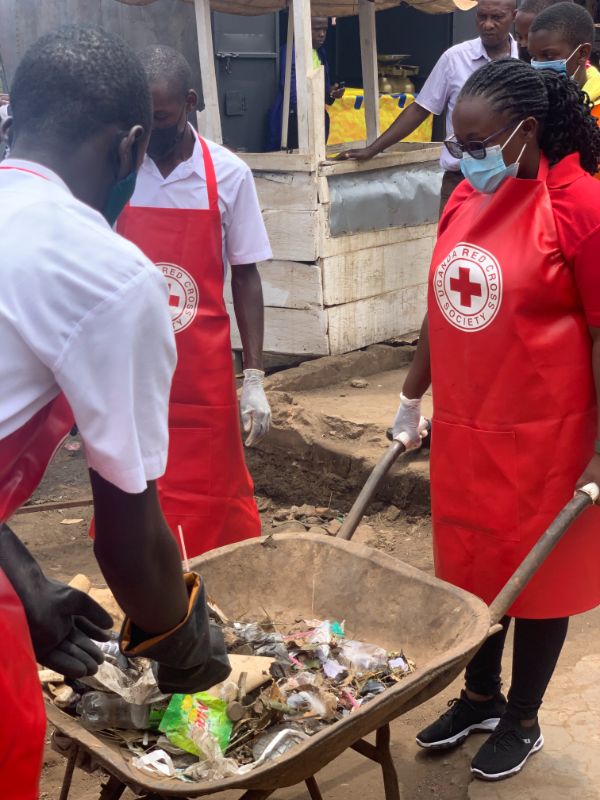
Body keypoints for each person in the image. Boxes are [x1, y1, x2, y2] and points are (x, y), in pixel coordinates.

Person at [0, 26, 230, 798]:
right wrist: (185, 646)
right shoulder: (101, 269)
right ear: (133, 145)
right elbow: (128, 538)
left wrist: (24, 578)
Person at [392, 58, 600, 781]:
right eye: (458, 144)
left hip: (547, 436)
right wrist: (411, 398)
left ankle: (524, 717)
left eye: (478, 143)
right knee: (471, 570)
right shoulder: (463, 202)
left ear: (526, 132)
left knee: (537, 581)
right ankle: (480, 695)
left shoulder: (581, 205)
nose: (466, 158)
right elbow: (441, 306)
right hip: (467, 429)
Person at [115, 45, 271, 560]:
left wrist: (253, 377)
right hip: (132, 365)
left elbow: (246, 275)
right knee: (132, 488)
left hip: (201, 372)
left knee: (211, 491)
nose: (147, 130)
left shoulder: (228, 174)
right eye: (139, 117)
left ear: (190, 103)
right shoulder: (118, 172)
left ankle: (215, 584)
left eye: (159, 117)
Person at [339, 0, 518, 214]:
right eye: (482, 16)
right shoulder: (455, 59)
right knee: (451, 246)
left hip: (511, 182)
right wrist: (372, 149)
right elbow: (420, 109)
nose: (487, 25)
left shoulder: (527, 60)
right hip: (460, 181)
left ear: (513, 16)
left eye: (497, 17)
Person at [266, 16, 344, 150]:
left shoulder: (320, 53)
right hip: (296, 119)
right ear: (303, 29)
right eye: (317, 29)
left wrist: (331, 93)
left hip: (315, 117)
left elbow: (323, 90)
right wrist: (308, 112)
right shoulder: (291, 51)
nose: (322, 34)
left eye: (325, 29)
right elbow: (290, 87)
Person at [528, 2, 600, 108]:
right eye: (534, 57)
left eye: (548, 55)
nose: (538, 66)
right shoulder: (532, 103)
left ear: (582, 54)